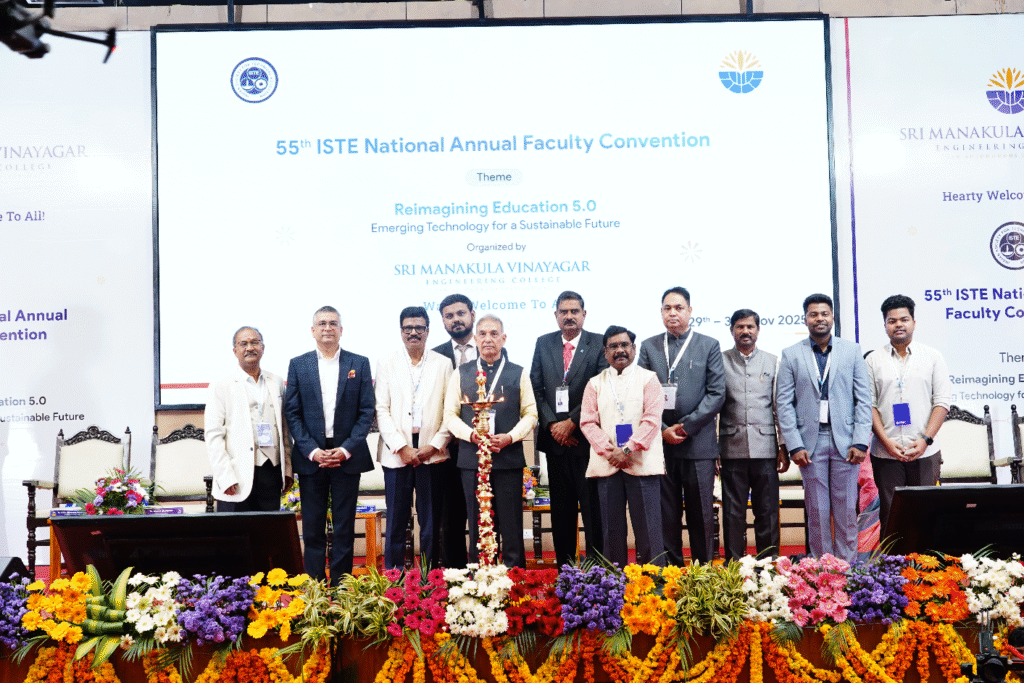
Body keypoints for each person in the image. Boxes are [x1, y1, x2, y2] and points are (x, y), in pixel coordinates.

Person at [777, 293, 871, 564]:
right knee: (817, 511)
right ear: (805, 319)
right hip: (810, 443)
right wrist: (794, 444)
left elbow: (863, 399)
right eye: (813, 314)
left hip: (846, 442)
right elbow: (784, 404)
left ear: (832, 317)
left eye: (824, 314)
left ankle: (848, 569)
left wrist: (861, 441)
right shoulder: (791, 354)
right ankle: (821, 572)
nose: (819, 318)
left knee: (846, 511)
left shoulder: (851, 351)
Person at [284, 306, 375, 583]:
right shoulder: (299, 364)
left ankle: (341, 586)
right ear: (313, 330)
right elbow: (292, 412)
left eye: (333, 323)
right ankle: (314, 586)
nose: (327, 328)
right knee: (313, 528)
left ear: (341, 330)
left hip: (346, 455)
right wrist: (312, 451)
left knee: (344, 527)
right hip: (312, 458)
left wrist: (346, 449)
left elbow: (366, 411)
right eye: (322, 323)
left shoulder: (359, 363)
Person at [638, 286, 725, 565]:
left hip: (698, 445)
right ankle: (671, 575)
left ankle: (703, 575)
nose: (672, 313)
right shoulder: (649, 347)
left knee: (701, 514)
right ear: (661, 312)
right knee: (666, 515)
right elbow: (640, 393)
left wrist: (686, 427)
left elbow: (716, 394)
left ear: (690, 311)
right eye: (667, 308)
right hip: (660, 445)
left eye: (678, 308)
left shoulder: (709, 345)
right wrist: (663, 429)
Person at [443, 314, 538, 568]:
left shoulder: (518, 372)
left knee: (512, 527)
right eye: (483, 334)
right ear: (475, 339)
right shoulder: (461, 373)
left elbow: (531, 413)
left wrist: (510, 437)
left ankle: (515, 581)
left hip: (508, 459)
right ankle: (480, 582)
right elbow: (449, 416)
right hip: (472, 460)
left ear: (503, 338)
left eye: (494, 334)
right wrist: (472, 436)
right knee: (478, 526)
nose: (488, 339)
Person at [530, 290, 607, 566]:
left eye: (575, 311)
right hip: (556, 445)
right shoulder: (543, 343)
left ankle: (597, 570)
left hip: (586, 442)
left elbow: (600, 388)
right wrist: (553, 425)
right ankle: (566, 570)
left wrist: (572, 423)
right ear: (556, 315)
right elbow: (535, 388)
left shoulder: (598, 343)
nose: (569, 316)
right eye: (564, 311)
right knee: (561, 513)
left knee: (592, 512)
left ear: (584, 315)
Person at [865, 294, 950, 540]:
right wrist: (885, 441)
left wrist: (925, 440)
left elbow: (942, 402)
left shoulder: (933, 357)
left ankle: (925, 563)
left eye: (904, 319)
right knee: (891, 513)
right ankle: (892, 563)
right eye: (892, 321)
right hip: (885, 452)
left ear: (914, 322)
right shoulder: (873, 360)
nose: (898, 325)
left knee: (925, 513)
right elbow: (869, 405)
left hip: (925, 451)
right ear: (885, 325)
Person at [375, 306, 453, 569]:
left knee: (430, 522)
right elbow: (381, 410)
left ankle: (430, 578)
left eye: (419, 328)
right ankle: (393, 578)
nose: (413, 333)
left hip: (432, 452)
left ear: (427, 331)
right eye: (408, 328)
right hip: (397, 454)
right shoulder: (386, 362)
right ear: (401, 331)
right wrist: (401, 447)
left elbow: (450, 411)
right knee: (396, 521)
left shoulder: (443, 363)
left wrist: (435, 445)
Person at [580, 326, 665, 567]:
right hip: (608, 466)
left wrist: (627, 450)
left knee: (649, 532)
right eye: (613, 346)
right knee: (611, 533)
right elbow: (587, 422)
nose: (620, 351)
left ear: (634, 349)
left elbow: (652, 420)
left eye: (624, 345)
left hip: (642, 465)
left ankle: (655, 584)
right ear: (605, 352)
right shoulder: (594, 383)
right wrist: (612, 453)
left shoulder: (649, 379)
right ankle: (613, 585)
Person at [719, 310, 788, 560]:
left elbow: (779, 407)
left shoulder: (772, 361)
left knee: (767, 512)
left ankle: (768, 565)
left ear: (758, 330)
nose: (745, 331)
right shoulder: (720, 360)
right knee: (733, 513)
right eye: (740, 327)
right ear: (732, 330)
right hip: (731, 448)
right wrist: (714, 449)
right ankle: (734, 567)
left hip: (765, 448)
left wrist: (783, 446)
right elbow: (715, 409)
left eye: (750, 327)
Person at [204, 326, 292, 512]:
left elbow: (285, 429)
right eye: (243, 344)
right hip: (236, 477)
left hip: (271, 472)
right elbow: (213, 436)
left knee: (268, 529)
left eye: (255, 343)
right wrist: (225, 477)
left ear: (263, 348)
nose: (250, 348)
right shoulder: (221, 385)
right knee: (236, 530)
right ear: (235, 350)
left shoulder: (276, 381)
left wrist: (288, 469)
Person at [431, 293, 476, 568]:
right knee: (450, 518)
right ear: (443, 321)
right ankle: (455, 577)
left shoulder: (490, 348)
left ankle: (486, 576)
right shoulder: (435, 355)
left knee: (484, 514)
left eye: (460, 313)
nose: (456, 320)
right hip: (448, 449)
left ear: (472, 314)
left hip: (482, 447)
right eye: (449, 316)